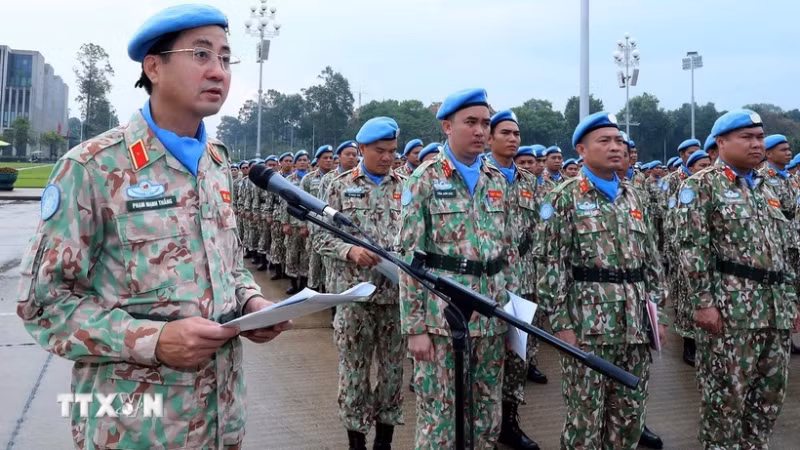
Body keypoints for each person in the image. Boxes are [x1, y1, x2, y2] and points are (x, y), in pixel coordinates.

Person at [16, 5, 291, 448]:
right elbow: (44, 305)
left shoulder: (216, 163)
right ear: (154, 67)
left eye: (224, 57)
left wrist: (252, 302)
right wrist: (153, 340)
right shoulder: (93, 167)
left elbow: (229, 265)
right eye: (200, 55)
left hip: (222, 419)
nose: (218, 70)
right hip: (133, 427)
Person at [537, 112, 667, 450]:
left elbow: (650, 259)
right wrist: (562, 324)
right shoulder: (563, 197)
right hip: (587, 325)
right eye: (605, 141)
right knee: (585, 417)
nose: (615, 148)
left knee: (629, 414)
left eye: (619, 141)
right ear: (581, 149)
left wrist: (657, 315)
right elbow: (551, 265)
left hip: (635, 323)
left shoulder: (633, 195)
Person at [397, 89, 517, 448]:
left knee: (486, 417)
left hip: (491, 319)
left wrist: (511, 316)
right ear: (447, 126)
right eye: (471, 122)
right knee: (439, 420)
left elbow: (506, 252)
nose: (481, 130)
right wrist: (414, 327)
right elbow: (409, 257)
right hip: (440, 322)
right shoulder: (424, 178)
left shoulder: (497, 180)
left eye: (485, 123)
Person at [675, 109, 800, 449]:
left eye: (760, 137)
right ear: (721, 142)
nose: (757, 143)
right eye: (747, 137)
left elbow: (784, 249)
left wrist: (792, 301)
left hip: (774, 310)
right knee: (725, 400)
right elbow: (691, 249)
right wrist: (703, 304)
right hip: (731, 313)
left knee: (768, 398)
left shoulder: (766, 187)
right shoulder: (701, 186)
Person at [319, 117, 406, 450]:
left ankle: (384, 440)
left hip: (395, 298)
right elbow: (320, 237)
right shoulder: (338, 186)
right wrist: (349, 250)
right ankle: (356, 441)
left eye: (392, 151)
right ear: (362, 149)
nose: (387, 158)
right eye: (380, 151)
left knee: (392, 374)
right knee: (354, 373)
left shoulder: (406, 185)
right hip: (355, 298)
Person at [485, 110, 541, 450]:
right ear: (490, 138)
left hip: (521, 280)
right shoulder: (479, 175)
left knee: (518, 356)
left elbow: (537, 232)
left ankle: (509, 421)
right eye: (505, 132)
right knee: (487, 354)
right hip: (488, 281)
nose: (513, 139)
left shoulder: (527, 181)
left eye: (516, 133)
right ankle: (483, 422)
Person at [662, 139, 702, 366]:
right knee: (683, 293)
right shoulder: (672, 181)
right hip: (679, 242)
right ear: (682, 154)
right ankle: (688, 342)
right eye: (691, 152)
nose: (695, 155)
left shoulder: (707, 180)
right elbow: (667, 214)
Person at [304, 145, 335, 291]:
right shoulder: (309, 179)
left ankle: (327, 290)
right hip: (314, 224)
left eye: (331, 158)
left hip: (333, 226)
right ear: (318, 160)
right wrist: (303, 224)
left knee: (330, 261)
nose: (329, 161)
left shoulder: (339, 178)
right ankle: (313, 289)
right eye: (325, 158)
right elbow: (300, 202)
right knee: (314, 260)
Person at [281, 150, 311, 294]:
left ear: (309, 162)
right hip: (293, 223)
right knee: (292, 254)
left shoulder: (313, 179)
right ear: (295, 163)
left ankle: (304, 285)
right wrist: (285, 223)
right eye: (300, 160)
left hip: (309, 223)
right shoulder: (289, 181)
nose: (303, 162)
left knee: (306, 255)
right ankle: (294, 283)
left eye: (305, 160)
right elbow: (284, 203)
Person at [269, 151, 294, 280]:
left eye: (290, 161)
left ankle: (288, 271)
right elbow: (270, 198)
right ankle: (278, 270)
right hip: (278, 214)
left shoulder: (296, 178)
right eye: (286, 161)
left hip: (293, 215)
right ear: (281, 163)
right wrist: (268, 214)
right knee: (277, 243)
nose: (288, 163)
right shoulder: (275, 178)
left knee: (289, 245)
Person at [255, 155, 279, 271]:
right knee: (264, 237)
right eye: (270, 165)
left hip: (279, 214)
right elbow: (256, 198)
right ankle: (263, 261)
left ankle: (275, 264)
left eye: (274, 165)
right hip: (264, 212)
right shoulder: (261, 180)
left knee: (276, 241)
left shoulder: (282, 179)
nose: (272, 167)